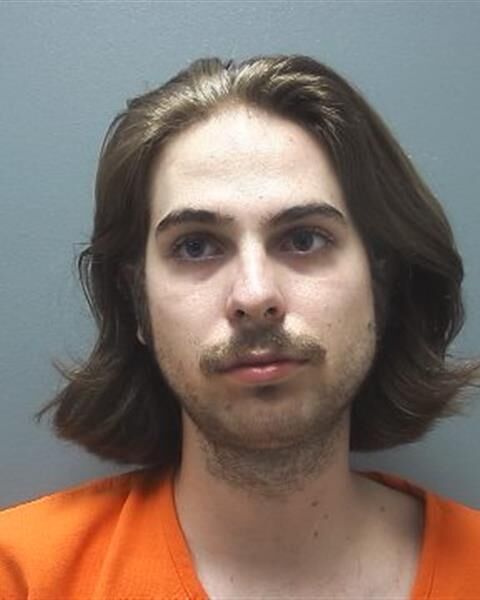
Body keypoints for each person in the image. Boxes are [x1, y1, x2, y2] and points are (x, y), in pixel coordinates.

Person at [1, 54, 479, 599]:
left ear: (380, 282)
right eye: (196, 246)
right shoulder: (21, 578)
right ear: (136, 302)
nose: (254, 296)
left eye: (304, 239)